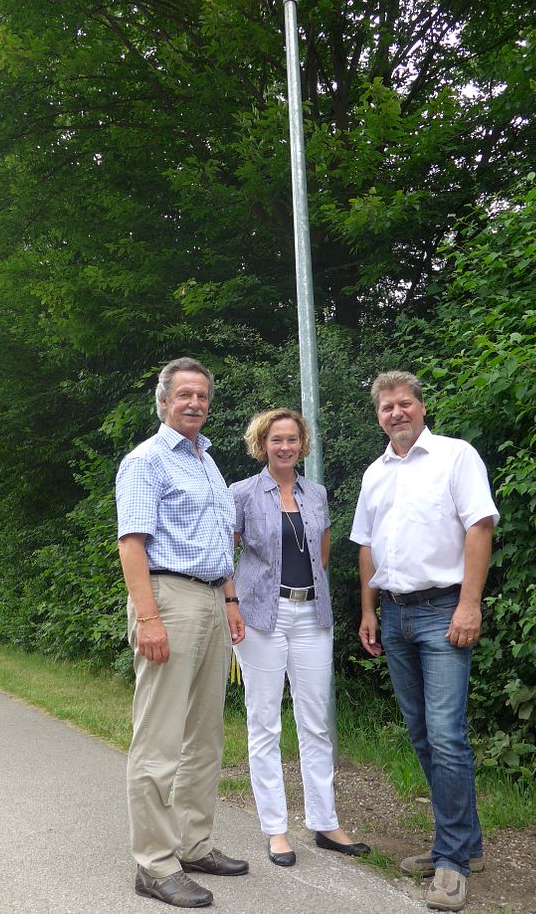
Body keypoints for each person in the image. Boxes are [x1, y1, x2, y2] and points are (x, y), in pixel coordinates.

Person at [350, 371, 499, 913]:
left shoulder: (456, 456)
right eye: (387, 407)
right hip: (395, 614)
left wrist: (469, 604)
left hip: (443, 610)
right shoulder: (374, 473)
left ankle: (453, 863)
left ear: (421, 406)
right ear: (378, 415)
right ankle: (464, 844)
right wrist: (368, 610)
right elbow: (366, 544)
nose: (396, 413)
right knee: (421, 734)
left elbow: (479, 527)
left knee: (447, 734)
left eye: (404, 404)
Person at [115, 357, 248, 909]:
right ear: (164, 402)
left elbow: (219, 540)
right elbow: (132, 544)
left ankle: (192, 843)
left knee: (204, 735)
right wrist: (148, 617)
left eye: (202, 396)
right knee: (160, 738)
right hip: (168, 599)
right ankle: (153, 863)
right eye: (184, 395)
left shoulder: (207, 460)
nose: (194, 403)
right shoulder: (147, 461)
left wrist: (231, 599)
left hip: (212, 599)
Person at [230, 408, 370, 868]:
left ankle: (325, 822)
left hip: (312, 613)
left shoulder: (317, 493)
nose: (285, 447)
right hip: (260, 619)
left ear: (301, 443)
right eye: (276, 440)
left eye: (292, 439)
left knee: (315, 721)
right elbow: (223, 550)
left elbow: (323, 552)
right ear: (262, 445)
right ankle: (275, 830)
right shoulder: (243, 494)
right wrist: (233, 603)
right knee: (265, 723)